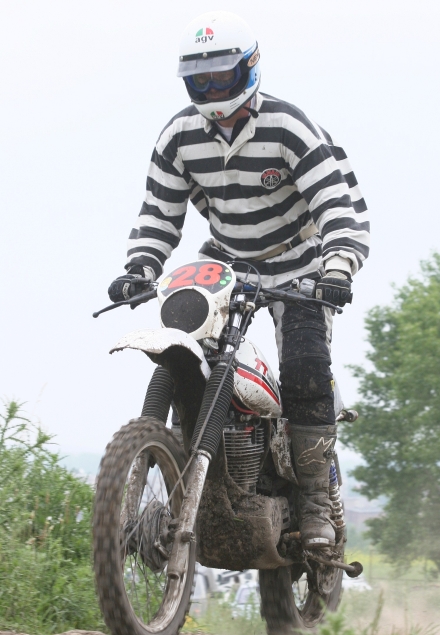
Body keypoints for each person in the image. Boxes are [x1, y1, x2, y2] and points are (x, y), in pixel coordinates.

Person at [108, 11, 370, 550]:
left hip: (300, 265)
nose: (211, 89)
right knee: (182, 348)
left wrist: (338, 268)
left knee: (304, 368)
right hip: (226, 265)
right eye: (198, 79)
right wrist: (140, 267)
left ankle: (317, 505)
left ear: (248, 69)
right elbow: (158, 215)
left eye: (221, 76)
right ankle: (182, 469)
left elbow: (336, 206)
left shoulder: (288, 126)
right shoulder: (178, 136)